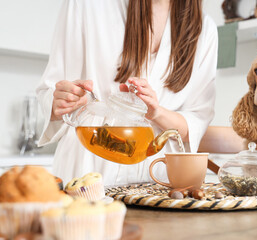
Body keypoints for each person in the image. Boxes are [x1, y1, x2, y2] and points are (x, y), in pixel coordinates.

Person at [36, 0, 218, 186]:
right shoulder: (85, 5)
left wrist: (157, 113)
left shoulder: (204, 29)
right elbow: (50, 94)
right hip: (89, 169)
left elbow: (196, 123)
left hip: (158, 179)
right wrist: (63, 99)